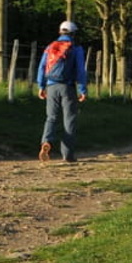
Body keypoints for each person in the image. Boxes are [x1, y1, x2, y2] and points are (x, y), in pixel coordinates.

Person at [36, 19, 88, 163]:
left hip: (51, 87)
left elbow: (42, 67)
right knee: (69, 120)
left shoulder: (51, 46)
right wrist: (82, 89)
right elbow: (80, 70)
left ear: (60, 32)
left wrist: (41, 86)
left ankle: (46, 141)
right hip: (67, 87)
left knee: (51, 117)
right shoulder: (76, 48)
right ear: (74, 33)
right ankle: (68, 155)